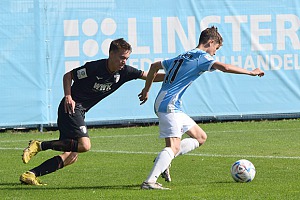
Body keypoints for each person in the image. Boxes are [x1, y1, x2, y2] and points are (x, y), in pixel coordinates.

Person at [20, 38, 164, 185]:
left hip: (80, 111)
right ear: (111, 54)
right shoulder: (94, 68)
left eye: (126, 58)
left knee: (71, 157)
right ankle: (39, 145)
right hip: (71, 107)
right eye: (122, 57)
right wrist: (68, 96)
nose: (124, 61)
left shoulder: (125, 72)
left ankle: (30, 174)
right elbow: (68, 76)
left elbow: (150, 75)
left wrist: (174, 76)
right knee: (85, 145)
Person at [138, 26, 264, 190]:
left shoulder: (182, 56)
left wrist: (146, 90)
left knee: (200, 137)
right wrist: (250, 72)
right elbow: (224, 68)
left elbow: (154, 66)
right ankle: (149, 182)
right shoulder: (201, 57)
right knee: (173, 146)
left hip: (170, 104)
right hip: (168, 104)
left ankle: (165, 159)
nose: (214, 53)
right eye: (216, 48)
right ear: (211, 42)